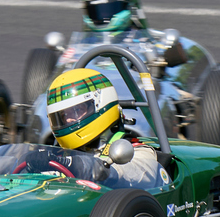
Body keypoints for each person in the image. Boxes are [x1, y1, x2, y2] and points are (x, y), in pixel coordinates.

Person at [26, 68, 166, 189]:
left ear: (100, 105)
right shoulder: (60, 155)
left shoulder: (135, 150)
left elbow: (138, 174)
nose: (68, 120)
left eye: (77, 111)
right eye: (63, 116)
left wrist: (82, 166)